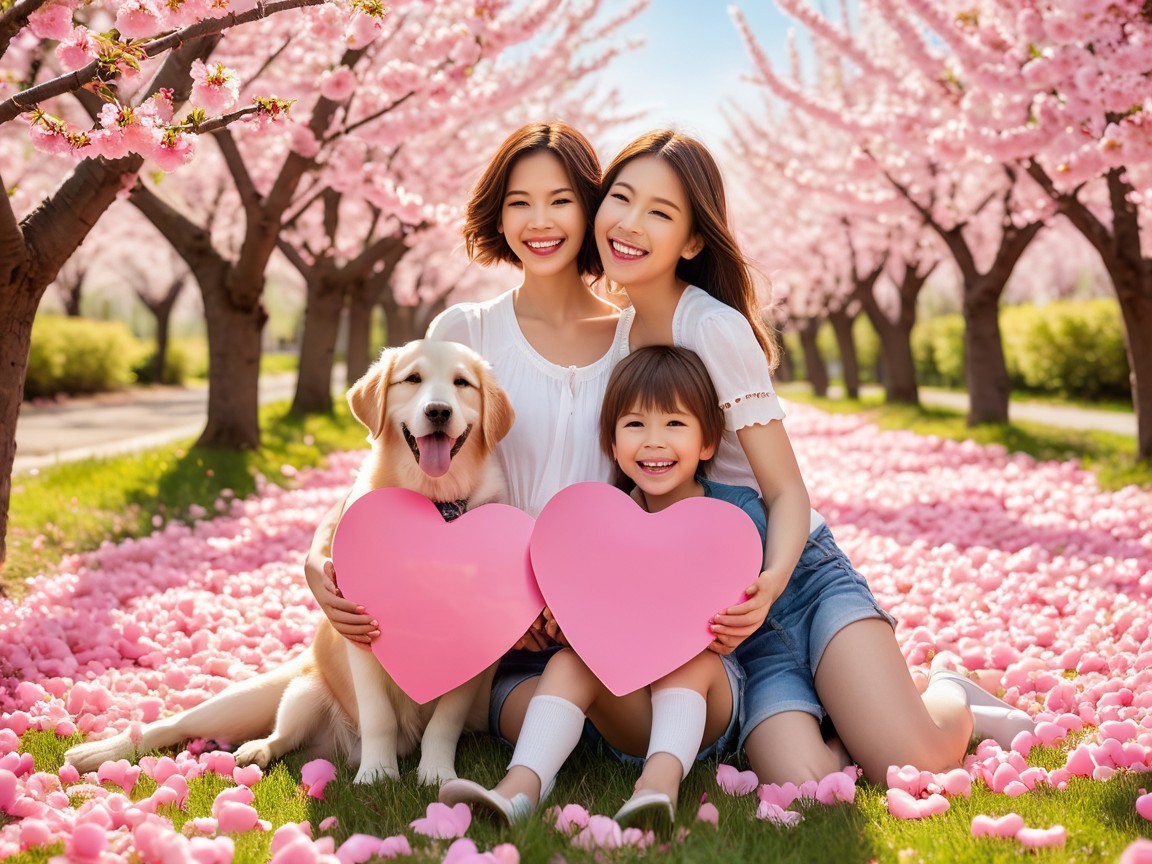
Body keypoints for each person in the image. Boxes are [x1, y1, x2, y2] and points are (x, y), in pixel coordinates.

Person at [595, 129, 1033, 785]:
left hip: (797, 579)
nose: (630, 224)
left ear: (691, 241)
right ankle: (853, 704)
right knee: (804, 785)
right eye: (620, 199)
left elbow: (786, 492)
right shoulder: (614, 342)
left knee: (910, 761)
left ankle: (949, 689)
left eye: (659, 212)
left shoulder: (712, 328)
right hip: (733, 624)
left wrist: (770, 582)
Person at [303, 121, 627, 742]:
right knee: (307, 682)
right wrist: (322, 550)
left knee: (582, 725)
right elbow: (392, 456)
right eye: (519, 203)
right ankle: (149, 739)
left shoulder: (633, 340)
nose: (540, 221)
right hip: (476, 615)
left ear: (591, 212)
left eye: (561, 200)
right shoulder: (466, 330)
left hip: (585, 614)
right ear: (498, 218)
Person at [440, 345, 756, 832]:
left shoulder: (735, 515)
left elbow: (740, 601)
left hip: (706, 704)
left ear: (708, 442)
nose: (654, 442)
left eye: (675, 424)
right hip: (628, 709)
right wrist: (569, 624)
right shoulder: (601, 522)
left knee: (687, 658)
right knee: (571, 660)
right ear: (610, 442)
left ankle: (658, 787)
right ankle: (518, 790)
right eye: (635, 425)